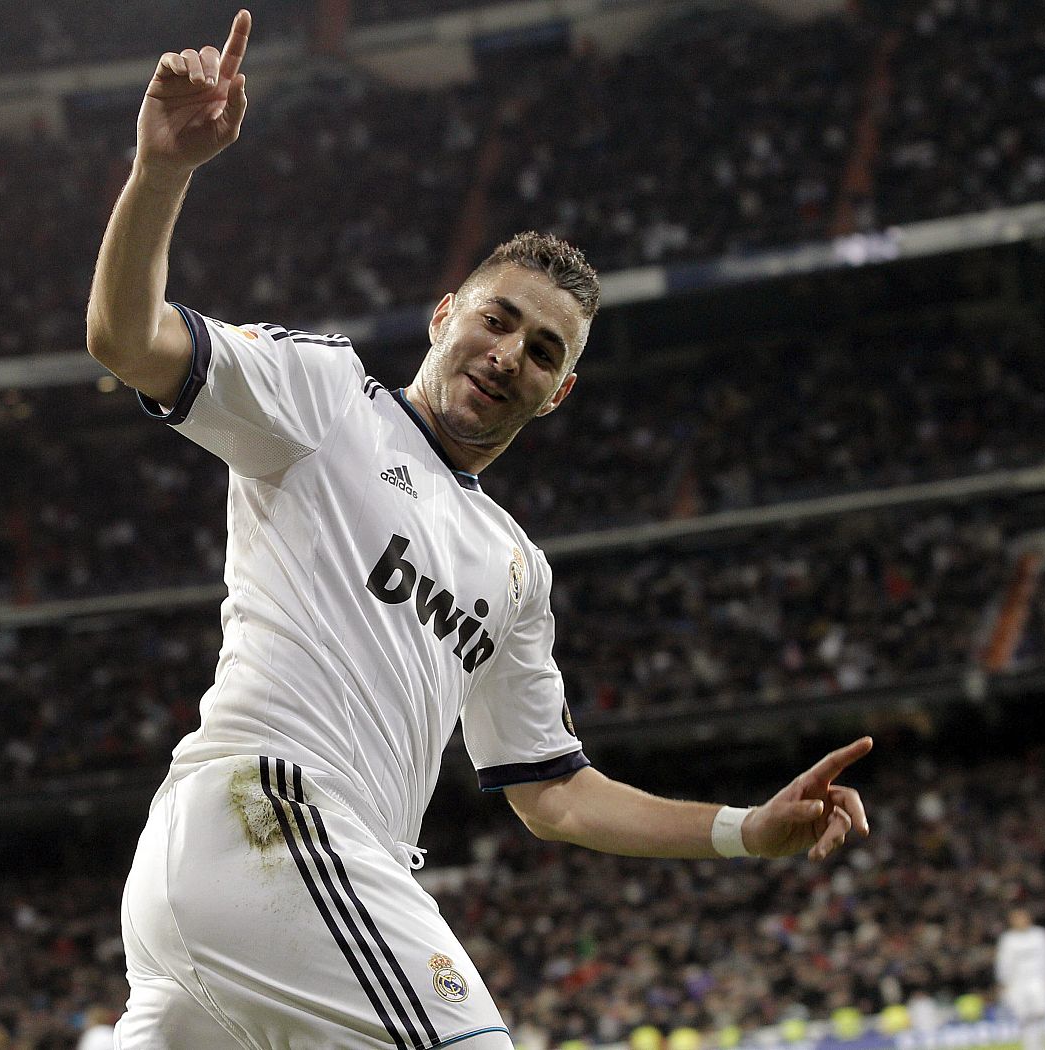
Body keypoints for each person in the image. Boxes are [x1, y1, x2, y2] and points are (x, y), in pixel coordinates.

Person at [86, 11, 873, 1048]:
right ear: (444, 311)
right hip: (271, 815)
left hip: (250, 881)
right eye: (498, 320)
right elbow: (124, 339)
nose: (510, 354)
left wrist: (741, 832)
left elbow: (552, 795)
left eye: (543, 351)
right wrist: (160, 170)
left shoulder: (515, 572)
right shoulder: (325, 400)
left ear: (558, 393)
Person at [996, 907, 1045, 1050]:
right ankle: (1030, 1046)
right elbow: (1003, 963)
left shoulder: (1040, 935)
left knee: (1042, 1013)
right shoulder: (1008, 940)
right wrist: (1003, 982)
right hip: (1017, 984)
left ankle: (1044, 1045)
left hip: (1039, 980)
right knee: (1024, 1018)